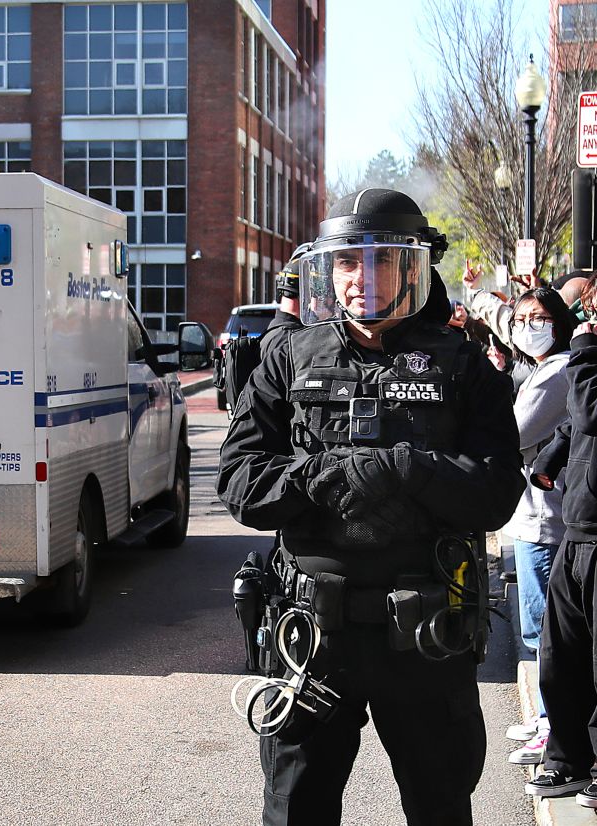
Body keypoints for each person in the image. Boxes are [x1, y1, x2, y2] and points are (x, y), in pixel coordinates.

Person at [217, 189, 524, 825]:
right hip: (311, 634)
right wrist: (327, 477)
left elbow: (496, 493)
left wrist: (404, 469)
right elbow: (241, 481)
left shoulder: (465, 367)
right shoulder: (285, 357)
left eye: (382, 260)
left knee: (440, 804)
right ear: (327, 270)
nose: (363, 279)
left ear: (415, 268)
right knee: (295, 808)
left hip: (425, 634)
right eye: (349, 263)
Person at [527, 274, 597, 806]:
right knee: (560, 657)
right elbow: (576, 424)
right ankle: (567, 759)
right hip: (577, 528)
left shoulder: (587, 357)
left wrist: (585, 350)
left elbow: (593, 410)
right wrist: (550, 461)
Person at [496, 288, 574, 766]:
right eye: (522, 318)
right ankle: (548, 718)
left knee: (545, 630)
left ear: (559, 322)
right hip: (534, 516)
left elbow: (514, 432)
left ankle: (553, 725)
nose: (529, 326)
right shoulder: (542, 368)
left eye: (540, 317)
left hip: (548, 519)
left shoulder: (558, 370)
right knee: (537, 629)